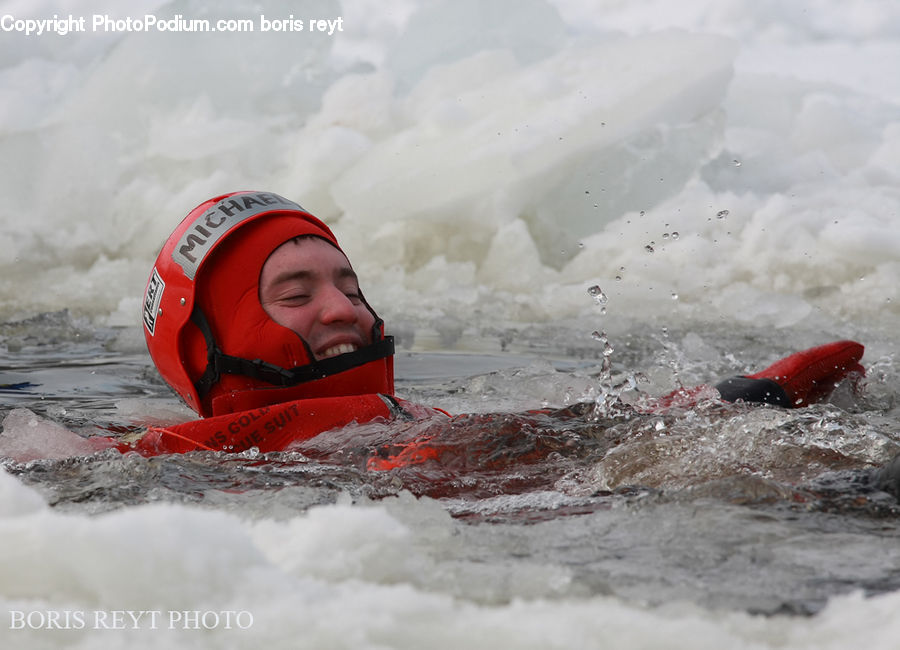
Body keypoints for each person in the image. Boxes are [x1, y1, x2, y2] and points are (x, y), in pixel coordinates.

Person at [125, 190, 866, 458]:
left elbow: (577, 430)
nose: (344, 306)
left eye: (349, 283)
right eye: (296, 294)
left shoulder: (412, 417)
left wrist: (744, 396)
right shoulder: (182, 455)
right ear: (207, 346)